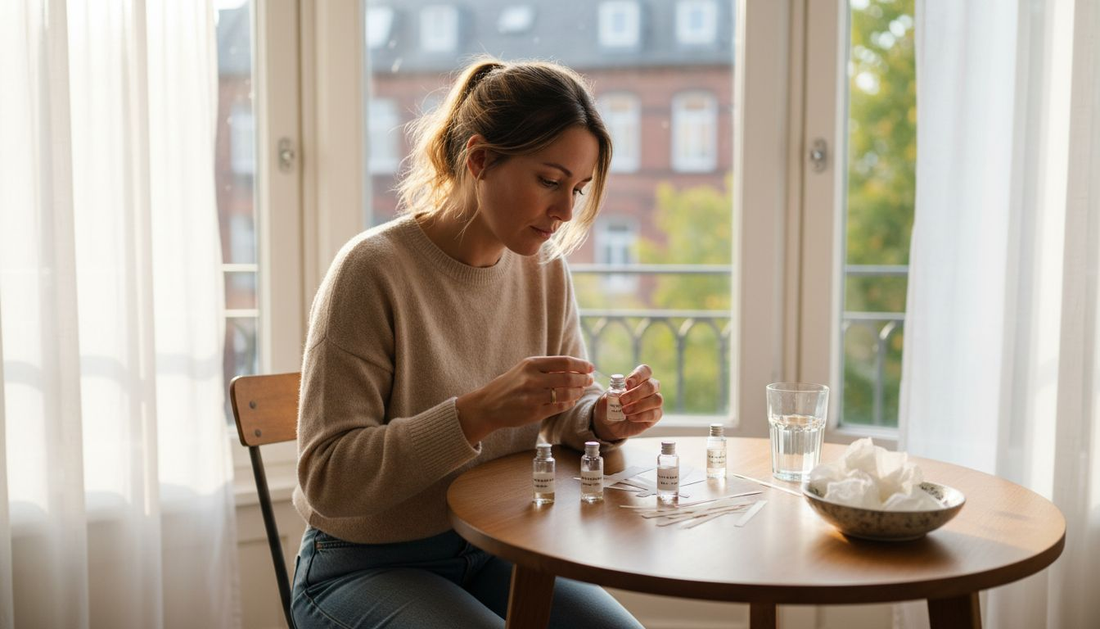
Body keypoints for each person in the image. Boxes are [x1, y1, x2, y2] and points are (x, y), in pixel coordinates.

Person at [290, 57, 664, 628]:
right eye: (550, 182)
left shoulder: (543, 270)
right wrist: (477, 413)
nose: (565, 212)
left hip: (499, 545)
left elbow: (563, 410)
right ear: (481, 159)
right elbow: (329, 478)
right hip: (364, 564)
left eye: (578, 189)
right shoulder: (372, 270)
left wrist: (604, 417)